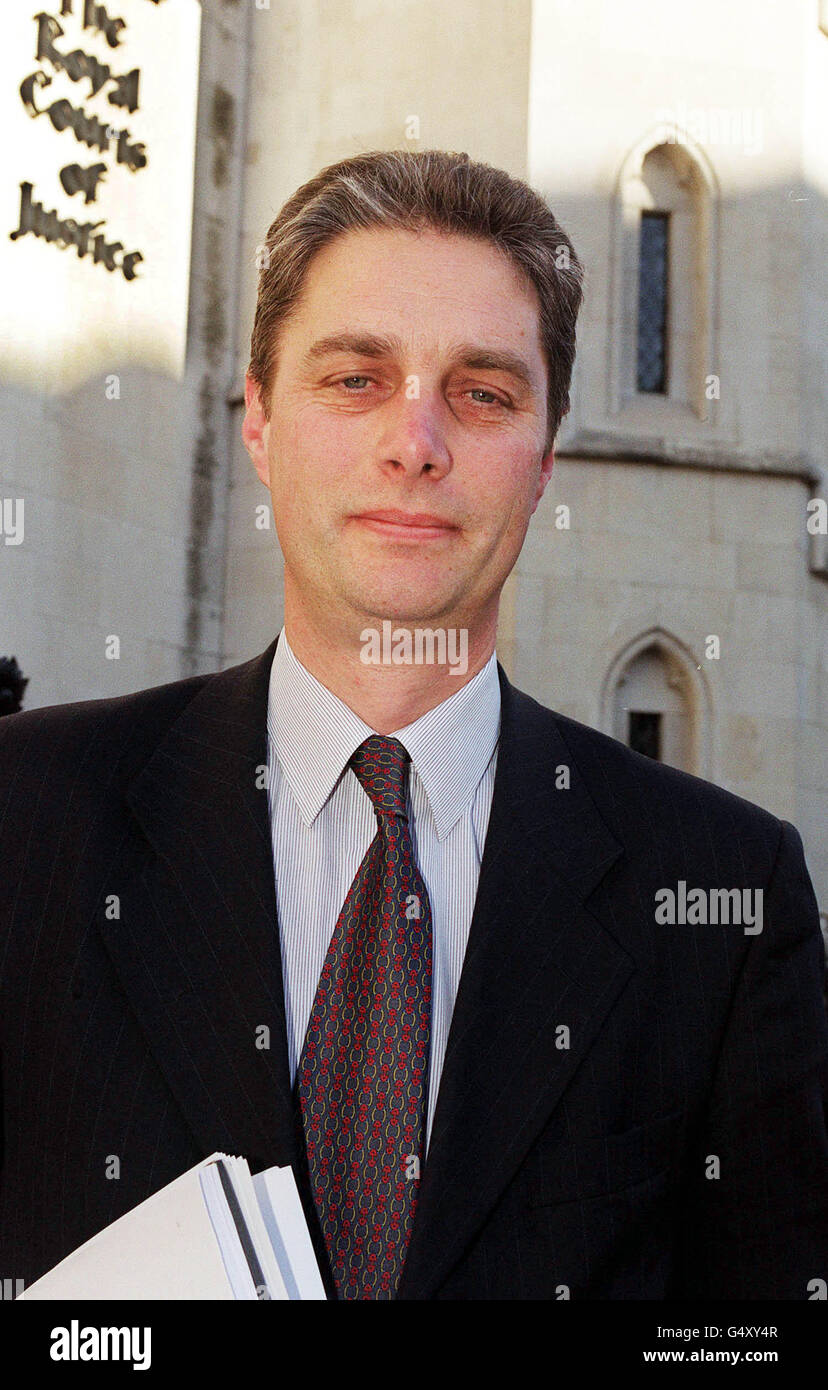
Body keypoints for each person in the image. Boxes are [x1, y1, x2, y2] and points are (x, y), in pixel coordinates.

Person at [1, 149, 826, 1301]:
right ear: (260, 417)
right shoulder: (27, 818)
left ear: (544, 458)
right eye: (355, 378)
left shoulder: (726, 892)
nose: (417, 441)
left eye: (482, 393)